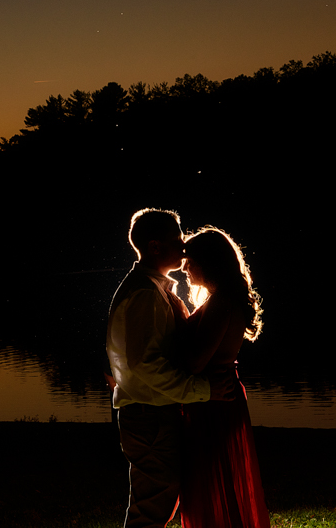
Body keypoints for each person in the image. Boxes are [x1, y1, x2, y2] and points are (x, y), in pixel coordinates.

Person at [106, 208, 234, 528]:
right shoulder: (145, 294)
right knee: (153, 507)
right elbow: (145, 364)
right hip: (148, 415)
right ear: (155, 246)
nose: (184, 245)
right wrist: (203, 390)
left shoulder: (151, 288)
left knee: (158, 500)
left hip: (151, 413)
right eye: (177, 238)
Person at [176, 226, 270, 528]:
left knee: (210, 483)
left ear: (209, 262)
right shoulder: (222, 299)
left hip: (214, 401)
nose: (184, 268)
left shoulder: (221, 303)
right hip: (215, 397)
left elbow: (195, 362)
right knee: (214, 482)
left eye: (190, 261)